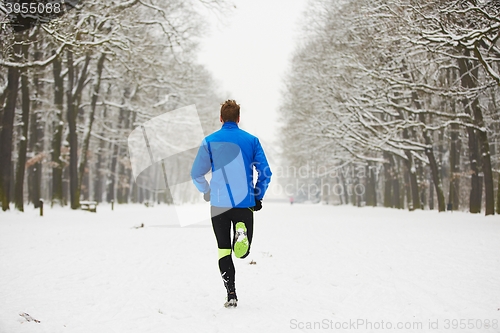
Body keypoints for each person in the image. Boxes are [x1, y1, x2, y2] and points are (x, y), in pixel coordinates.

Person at [191, 100, 272, 308]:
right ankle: (241, 232)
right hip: (244, 203)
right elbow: (265, 172)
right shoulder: (251, 140)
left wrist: (207, 191)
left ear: (220, 118)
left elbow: (196, 173)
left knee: (223, 251)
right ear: (238, 118)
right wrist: (257, 195)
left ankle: (231, 294)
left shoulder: (210, 141)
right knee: (242, 252)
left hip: (219, 204)